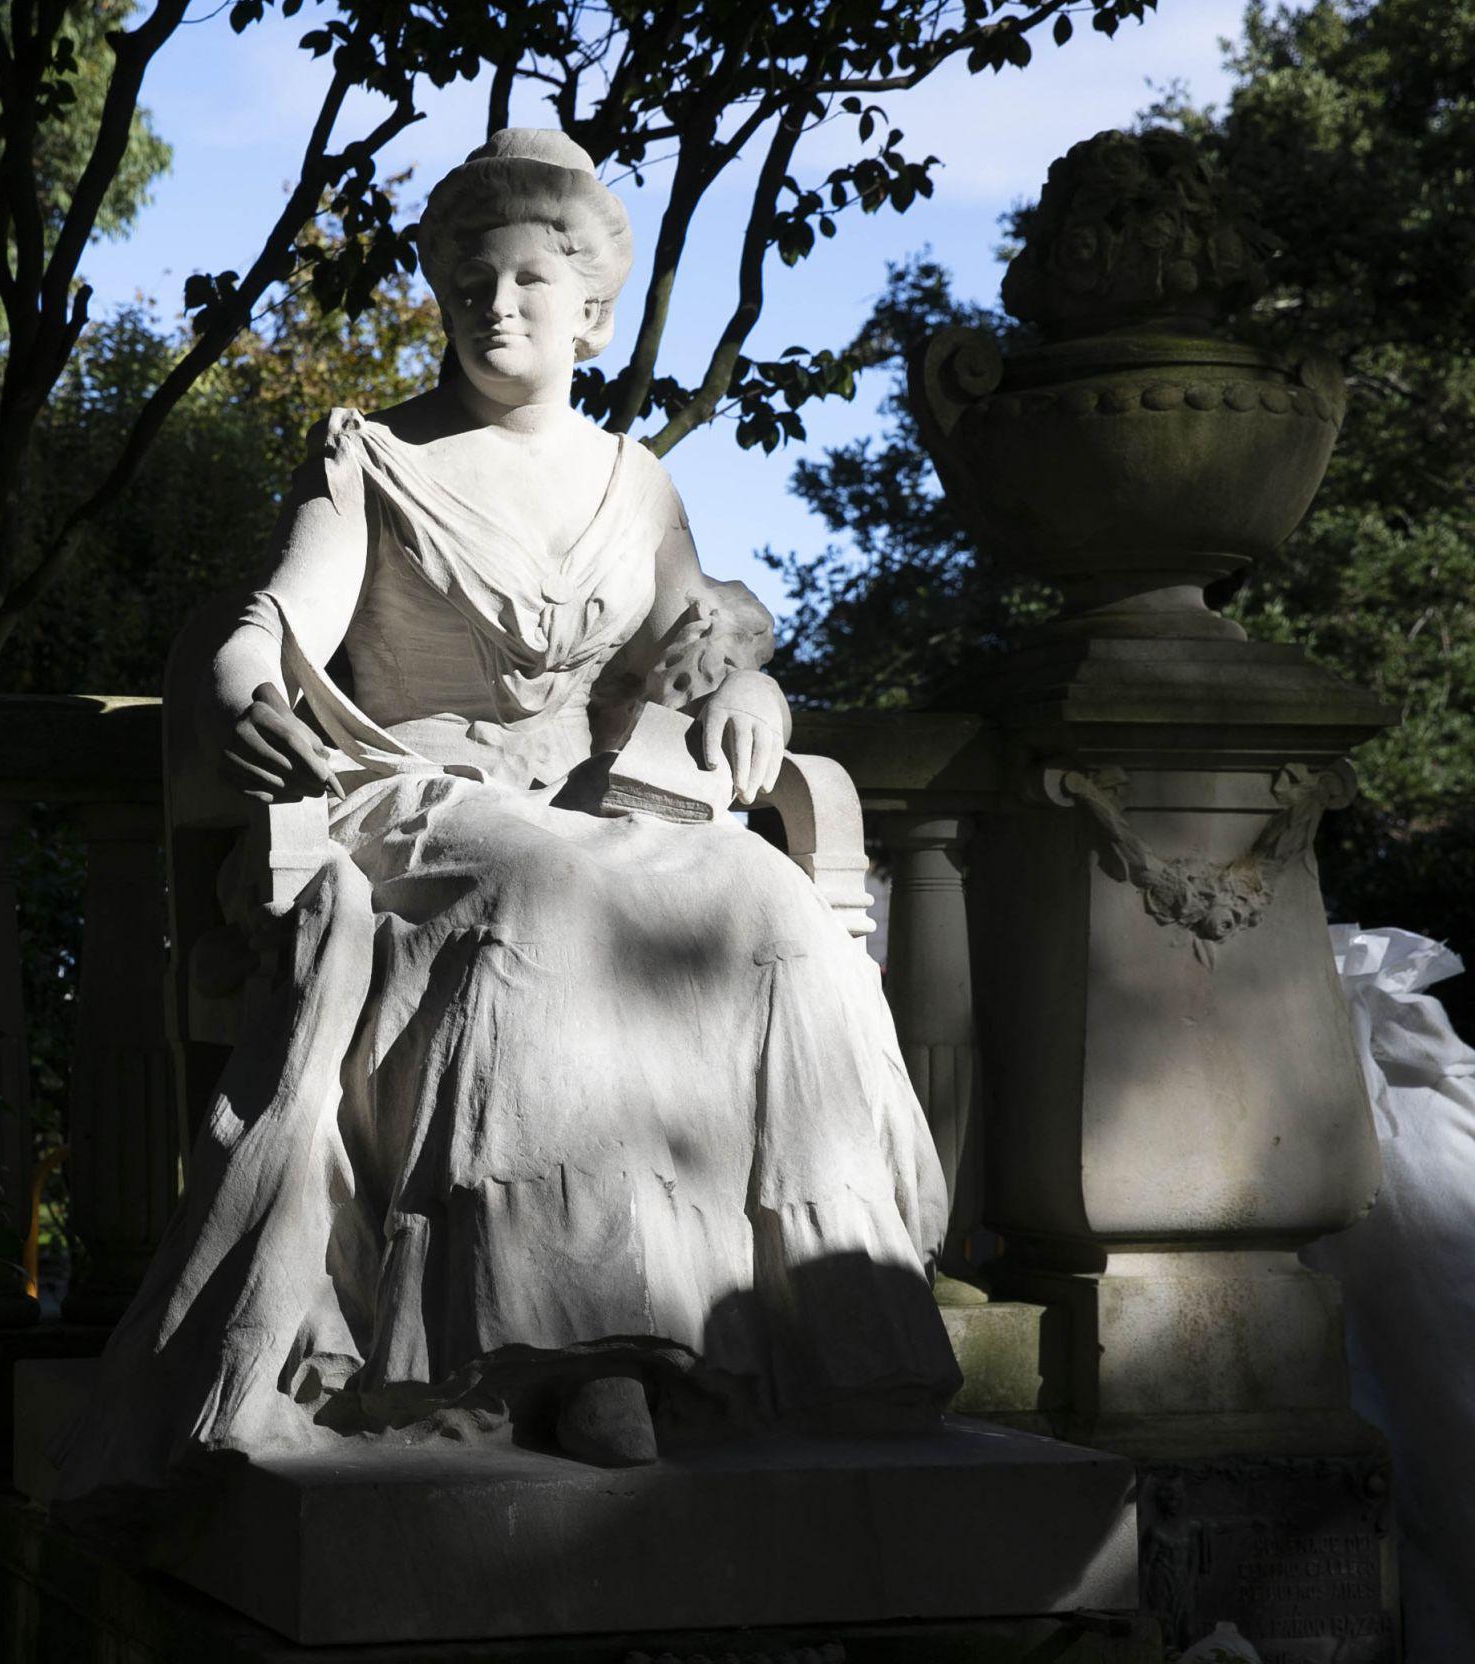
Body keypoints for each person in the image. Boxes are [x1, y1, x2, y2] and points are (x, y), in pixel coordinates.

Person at [53, 129, 957, 1501]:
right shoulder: (373, 456)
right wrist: (244, 680)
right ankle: (579, 1343)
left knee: (762, 898)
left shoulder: (634, 481)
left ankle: (820, 1320)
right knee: (551, 899)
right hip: (415, 794)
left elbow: (702, 636)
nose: (498, 305)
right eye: (473, 279)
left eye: (534, 279)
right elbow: (276, 615)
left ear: (591, 307)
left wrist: (752, 684)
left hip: (597, 797)